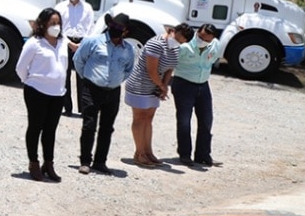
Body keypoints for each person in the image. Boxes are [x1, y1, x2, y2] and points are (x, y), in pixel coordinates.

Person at [71, 13, 135, 175]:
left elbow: (128, 69)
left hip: (113, 92)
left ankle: (100, 162)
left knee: (107, 128)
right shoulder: (93, 41)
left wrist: (115, 80)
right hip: (92, 89)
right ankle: (85, 161)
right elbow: (79, 60)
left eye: (120, 27)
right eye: (113, 25)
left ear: (126, 31)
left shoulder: (128, 50)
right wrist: (87, 78)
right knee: (89, 125)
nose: (115, 29)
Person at [15, 8, 67, 182]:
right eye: (52, 23)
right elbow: (20, 67)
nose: (56, 26)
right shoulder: (34, 43)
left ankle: (48, 163)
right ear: (43, 24)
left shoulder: (62, 42)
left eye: (58, 23)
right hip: (37, 91)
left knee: (50, 130)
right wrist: (29, 81)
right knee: (35, 127)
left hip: (58, 93)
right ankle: (34, 162)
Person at [124, 25, 188, 167]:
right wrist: (162, 86)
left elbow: (170, 68)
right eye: (178, 39)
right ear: (173, 31)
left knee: (148, 118)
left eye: (181, 42)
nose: (178, 43)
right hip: (140, 84)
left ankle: (148, 152)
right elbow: (151, 70)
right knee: (140, 118)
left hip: (155, 87)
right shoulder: (156, 43)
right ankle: (139, 153)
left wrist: (164, 85)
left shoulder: (175, 47)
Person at [172, 23, 223, 168]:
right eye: (201, 37)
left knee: (207, 120)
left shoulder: (215, 45)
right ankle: (185, 154)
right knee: (184, 121)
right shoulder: (184, 46)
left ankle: (203, 155)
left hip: (203, 85)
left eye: (207, 39)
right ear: (197, 32)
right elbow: (170, 63)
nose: (203, 41)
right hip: (184, 84)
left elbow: (212, 60)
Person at [59, 0, 96, 116]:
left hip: (82, 42)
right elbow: (58, 27)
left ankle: (83, 109)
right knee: (65, 75)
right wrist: (69, 43)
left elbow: (91, 28)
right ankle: (67, 107)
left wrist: (82, 44)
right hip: (65, 41)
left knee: (82, 76)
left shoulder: (87, 8)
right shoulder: (60, 7)